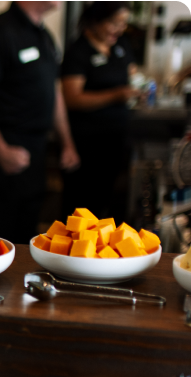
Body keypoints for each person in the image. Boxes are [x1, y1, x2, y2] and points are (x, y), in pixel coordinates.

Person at [0, 1, 80, 244]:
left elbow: (54, 94)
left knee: (26, 240)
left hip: (35, 155)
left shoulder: (44, 35)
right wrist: (1, 151)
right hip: (2, 159)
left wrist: (67, 142)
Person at [61, 1, 136, 220]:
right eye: (114, 23)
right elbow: (72, 98)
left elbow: (132, 73)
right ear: (96, 21)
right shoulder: (79, 51)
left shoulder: (121, 45)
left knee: (107, 201)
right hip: (87, 142)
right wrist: (115, 95)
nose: (119, 29)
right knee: (82, 205)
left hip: (115, 137)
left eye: (123, 23)